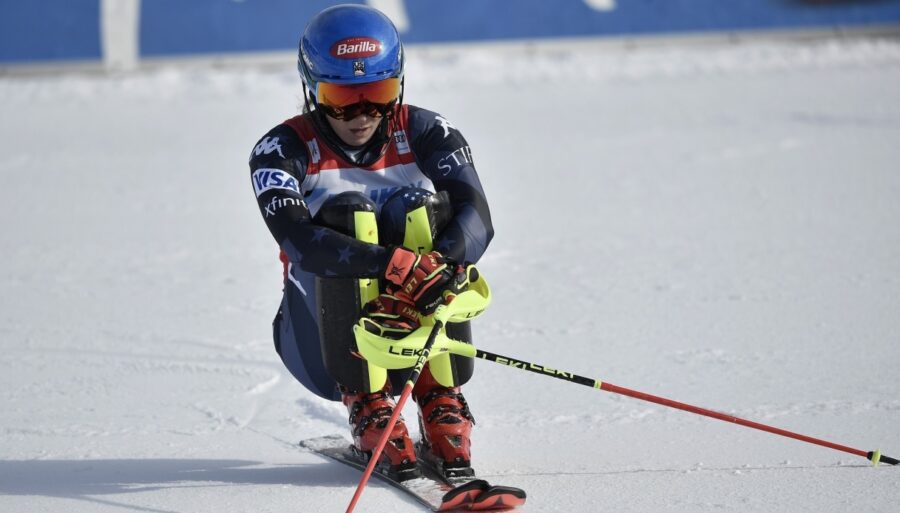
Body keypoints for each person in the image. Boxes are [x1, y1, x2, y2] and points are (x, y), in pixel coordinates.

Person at [248, 4, 493, 481]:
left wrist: (436, 264)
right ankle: (367, 402)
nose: (362, 114)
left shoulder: (426, 130)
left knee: (419, 208)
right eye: (341, 97)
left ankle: (440, 397)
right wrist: (395, 266)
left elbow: (477, 215)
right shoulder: (280, 150)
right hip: (320, 344)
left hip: (415, 335)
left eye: (378, 94)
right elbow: (301, 242)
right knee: (349, 213)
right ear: (311, 88)